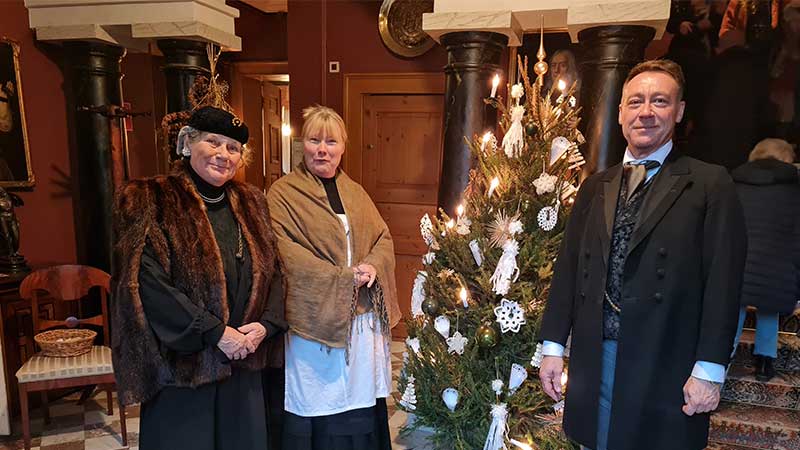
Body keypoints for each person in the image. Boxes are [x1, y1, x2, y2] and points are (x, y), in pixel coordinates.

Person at [537, 59, 747, 450]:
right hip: (595, 354)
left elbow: (724, 281)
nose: (646, 112)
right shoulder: (595, 186)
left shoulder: (709, 183)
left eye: (659, 101)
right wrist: (551, 347)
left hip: (667, 359)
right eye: (635, 102)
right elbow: (569, 269)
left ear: (679, 111)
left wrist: (710, 368)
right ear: (620, 113)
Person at [111, 106, 287, 450]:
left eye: (233, 148)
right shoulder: (149, 198)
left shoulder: (252, 201)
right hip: (184, 368)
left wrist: (266, 325)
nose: (223, 154)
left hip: (243, 362)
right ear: (189, 143)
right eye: (213, 142)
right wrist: (215, 333)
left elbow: (276, 270)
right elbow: (145, 281)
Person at [267, 105, 400, 450]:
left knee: (358, 395)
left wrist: (372, 266)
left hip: (361, 319)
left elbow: (382, 238)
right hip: (314, 320)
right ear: (302, 144)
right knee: (317, 395)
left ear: (343, 147)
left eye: (331, 141)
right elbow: (285, 251)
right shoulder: (283, 193)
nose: (322, 149)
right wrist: (342, 279)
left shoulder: (355, 192)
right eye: (314, 140)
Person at [731, 138, 800, 382]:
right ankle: (764, 363)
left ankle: (723, 360)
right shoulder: (793, 189)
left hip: (738, 260)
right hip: (776, 264)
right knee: (769, 309)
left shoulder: (735, 182)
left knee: (731, 311)